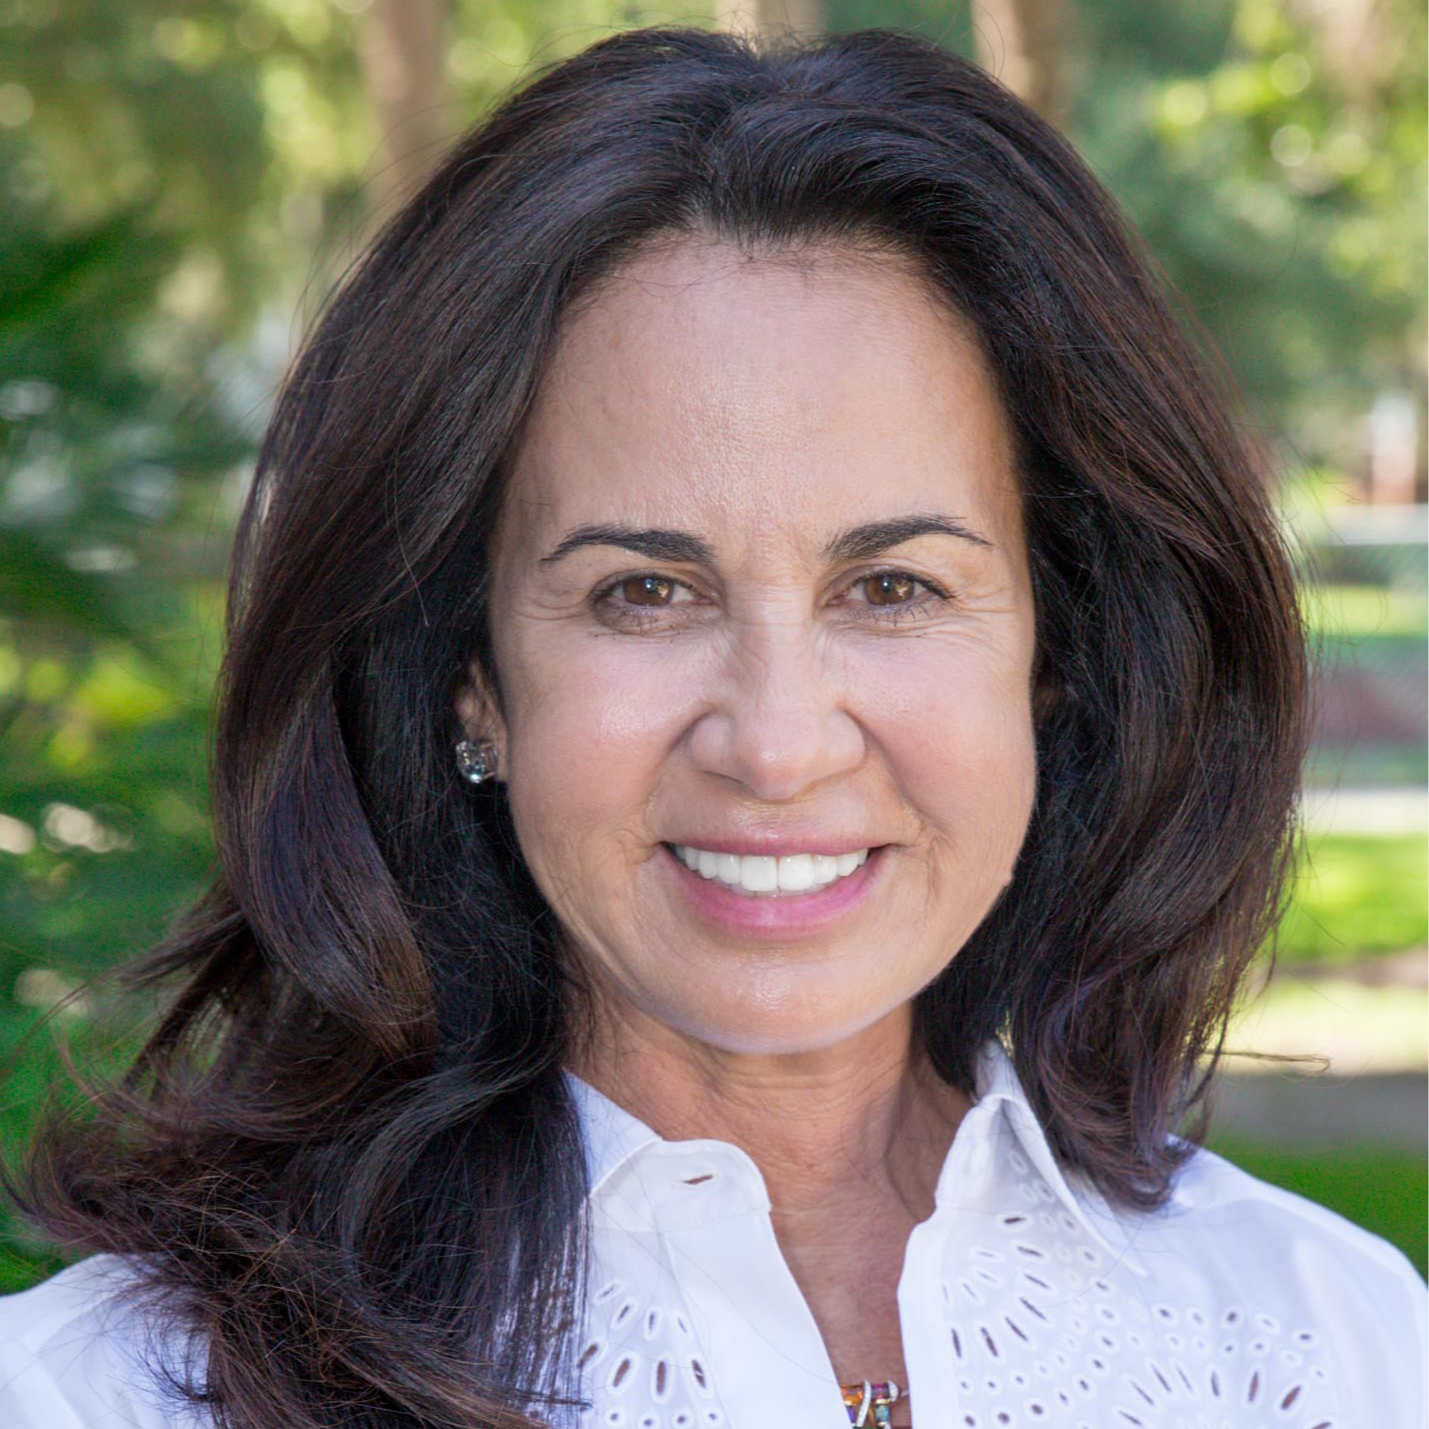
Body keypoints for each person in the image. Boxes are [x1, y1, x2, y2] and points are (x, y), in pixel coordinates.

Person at [1, 22, 1425, 1429]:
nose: (778, 743)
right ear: (469, 676)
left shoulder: (1333, 1345)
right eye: (643, 593)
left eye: (891, 586)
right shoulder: (103, 1397)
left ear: (1058, 657)